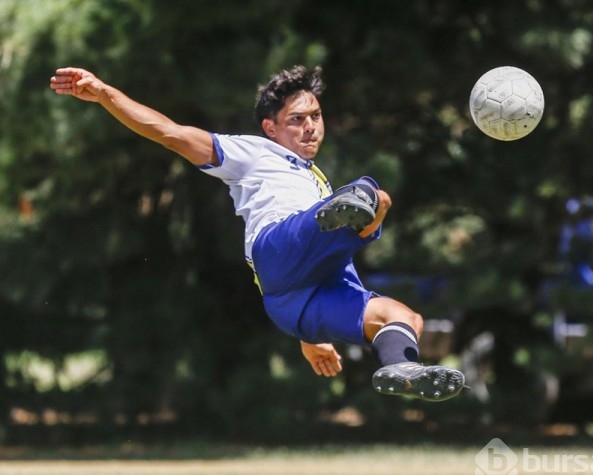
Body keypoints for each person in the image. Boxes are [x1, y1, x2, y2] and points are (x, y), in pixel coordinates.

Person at [49, 65, 465, 401]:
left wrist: (309, 335)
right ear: (270, 128)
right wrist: (105, 93)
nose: (310, 128)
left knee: (404, 316)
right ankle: (346, 211)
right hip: (279, 250)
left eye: (315, 117)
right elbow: (169, 133)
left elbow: (340, 262)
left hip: (293, 302)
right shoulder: (253, 152)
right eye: (296, 120)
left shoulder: (316, 179)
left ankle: (401, 369)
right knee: (368, 193)